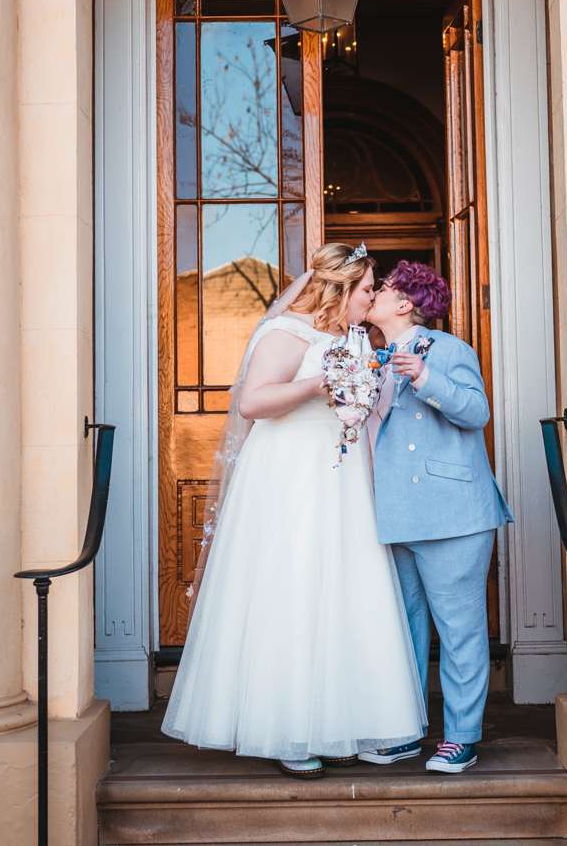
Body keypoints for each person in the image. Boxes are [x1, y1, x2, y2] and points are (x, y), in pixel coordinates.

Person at [162, 242, 427, 779]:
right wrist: (317, 384)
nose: (371, 298)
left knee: (342, 591)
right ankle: (285, 728)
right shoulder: (287, 332)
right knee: (294, 587)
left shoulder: (351, 338)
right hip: (290, 475)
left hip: (341, 477)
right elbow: (252, 402)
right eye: (367, 289)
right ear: (341, 289)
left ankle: (334, 723)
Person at [358, 260, 512, 774]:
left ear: (405, 303)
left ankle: (461, 737)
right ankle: (405, 732)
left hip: (453, 514)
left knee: (459, 630)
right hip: (393, 512)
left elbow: (476, 412)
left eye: (383, 288)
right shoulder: (368, 357)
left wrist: (425, 376)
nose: (374, 294)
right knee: (403, 630)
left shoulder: (449, 350)